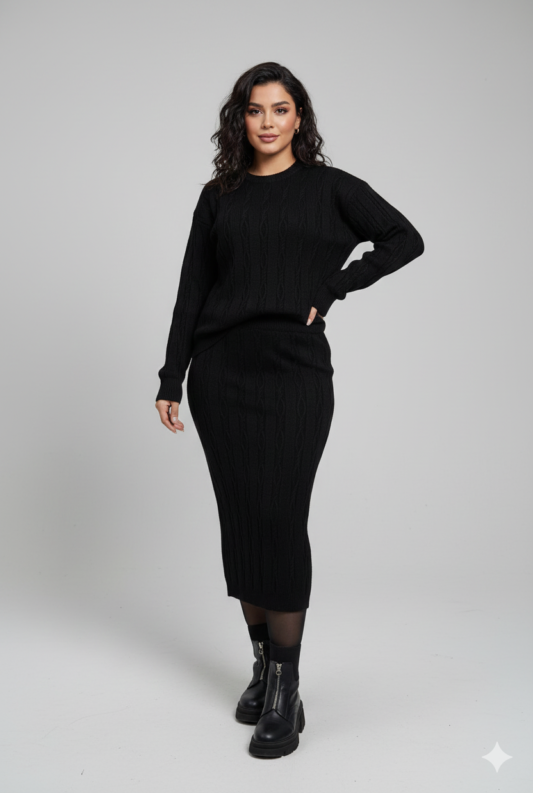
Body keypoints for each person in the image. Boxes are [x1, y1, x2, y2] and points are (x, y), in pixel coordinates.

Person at [155, 61, 425, 758]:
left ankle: (286, 687)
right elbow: (192, 289)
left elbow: (405, 238)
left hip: (293, 374)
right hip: (220, 376)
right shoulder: (220, 196)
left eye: (280, 109)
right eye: (255, 110)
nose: (267, 122)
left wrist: (334, 286)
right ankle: (263, 666)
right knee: (243, 520)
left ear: (299, 117)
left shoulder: (331, 189)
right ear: (239, 120)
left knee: (278, 519)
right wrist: (171, 377)